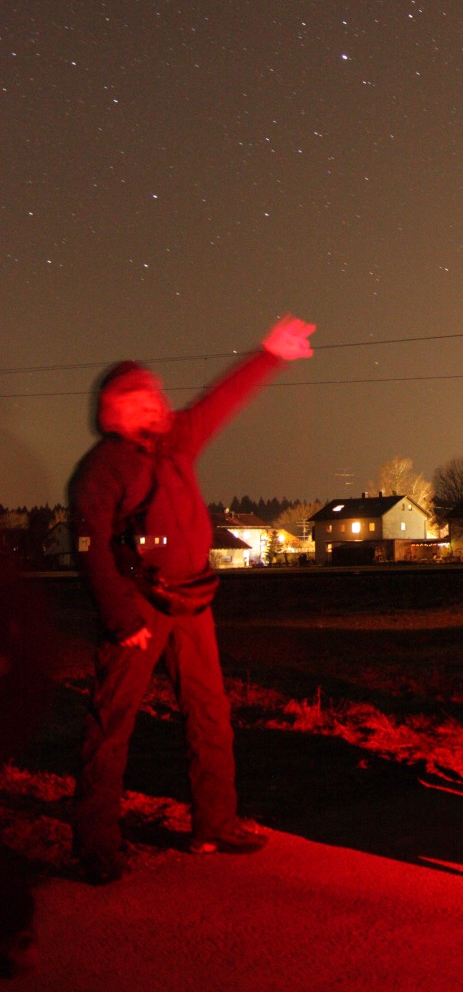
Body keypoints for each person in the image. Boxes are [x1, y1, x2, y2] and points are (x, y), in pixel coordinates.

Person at [69, 315, 315, 884]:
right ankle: (96, 842)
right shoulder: (101, 470)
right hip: (139, 607)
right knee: (112, 722)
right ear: (116, 409)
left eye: (157, 393)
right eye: (144, 396)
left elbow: (219, 401)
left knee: (210, 713)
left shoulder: (176, 441)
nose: (158, 401)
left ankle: (214, 823)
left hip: (192, 601)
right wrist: (120, 615)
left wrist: (270, 353)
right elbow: (90, 549)